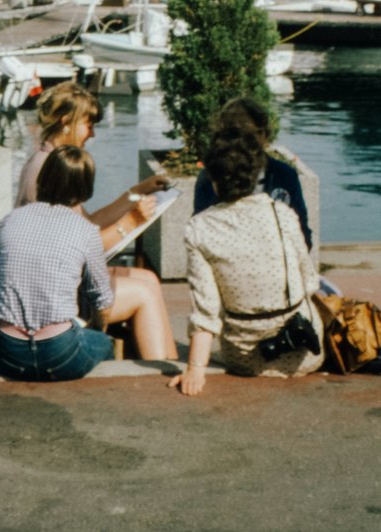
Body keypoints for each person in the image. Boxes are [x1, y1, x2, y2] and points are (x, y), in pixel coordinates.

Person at [16, 82, 177, 362]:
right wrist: (131, 221)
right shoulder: (48, 172)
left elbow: (89, 222)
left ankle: (170, 365)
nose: (92, 133)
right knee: (144, 293)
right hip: (58, 299)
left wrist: (137, 192)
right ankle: (159, 375)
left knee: (149, 279)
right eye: (88, 124)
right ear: (67, 122)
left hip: (55, 283)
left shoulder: (49, 162)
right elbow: (86, 246)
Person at [170, 132, 323, 396]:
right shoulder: (282, 213)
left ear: (214, 181)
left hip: (243, 357)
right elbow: (309, 281)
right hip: (302, 352)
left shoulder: (199, 228)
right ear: (255, 176)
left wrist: (195, 370)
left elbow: (206, 311)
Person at [0, 145, 118, 381]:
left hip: (7, 353)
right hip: (59, 352)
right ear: (86, 186)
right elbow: (102, 300)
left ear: (44, 178)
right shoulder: (85, 231)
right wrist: (97, 328)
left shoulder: (10, 219)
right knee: (103, 343)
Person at [192, 96, 312, 250]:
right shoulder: (211, 177)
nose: (247, 142)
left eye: (253, 134)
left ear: (264, 134)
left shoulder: (284, 174)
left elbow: (303, 234)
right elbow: (201, 234)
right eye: (238, 135)